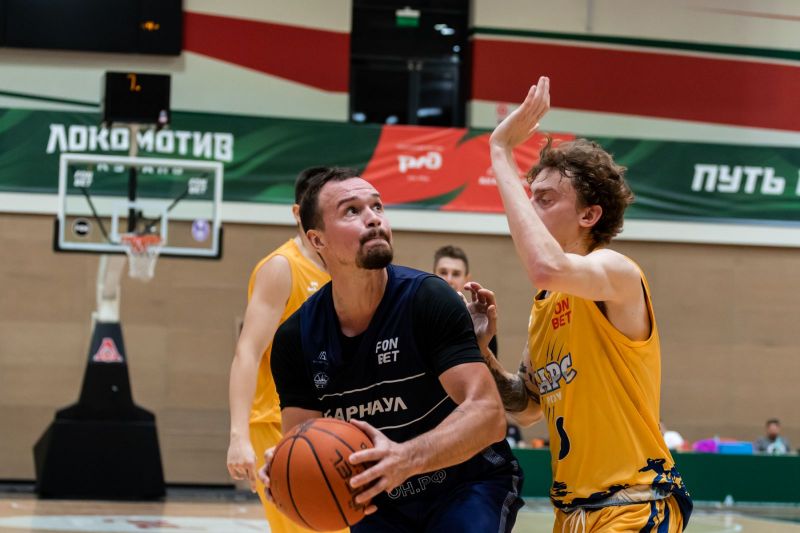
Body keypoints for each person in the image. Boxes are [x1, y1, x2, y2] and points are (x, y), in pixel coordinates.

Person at [471, 76, 692, 532]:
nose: (530, 209)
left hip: (634, 505)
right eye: (531, 197)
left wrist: (501, 152)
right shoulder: (545, 304)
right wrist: (481, 352)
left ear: (589, 215)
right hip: (573, 514)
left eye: (545, 199)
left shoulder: (616, 271)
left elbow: (545, 267)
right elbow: (529, 407)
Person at [260, 167, 523, 532]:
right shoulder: (296, 339)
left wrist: (405, 458)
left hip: (467, 483)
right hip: (377, 498)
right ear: (316, 239)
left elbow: (489, 415)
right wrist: (287, 467)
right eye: (351, 211)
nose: (373, 218)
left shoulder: (428, 298)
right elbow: (303, 438)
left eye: (377, 206)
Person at [226, 167, 344, 533]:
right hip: (275, 422)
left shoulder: (341, 270)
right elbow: (247, 352)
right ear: (299, 213)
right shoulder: (282, 267)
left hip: (328, 421)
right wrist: (238, 436)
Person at [433, 244, 498, 355]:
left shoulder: (481, 322)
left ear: (466, 279)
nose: (449, 279)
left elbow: (492, 367)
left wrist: (481, 345)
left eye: (456, 274)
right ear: (433, 275)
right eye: (443, 272)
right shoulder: (417, 315)